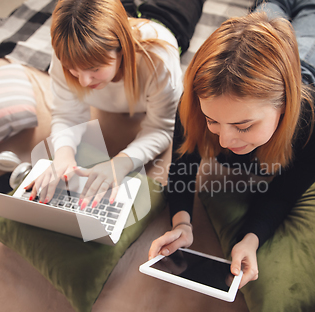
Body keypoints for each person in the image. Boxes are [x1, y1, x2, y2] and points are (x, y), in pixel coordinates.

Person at [149, 0, 315, 289]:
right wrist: (181, 223)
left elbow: (283, 194)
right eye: (212, 121)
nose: (224, 140)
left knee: (313, 9)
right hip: (259, 44)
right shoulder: (196, 101)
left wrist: (251, 238)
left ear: (284, 107)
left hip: (311, 63)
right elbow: (182, 167)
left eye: (243, 126)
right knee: (267, 10)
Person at [25, 0, 203, 208]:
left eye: (94, 68)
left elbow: (161, 128)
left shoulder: (159, 60)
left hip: (167, 20)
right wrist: (63, 153)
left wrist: (121, 163)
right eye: (73, 69)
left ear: (121, 50)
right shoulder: (67, 53)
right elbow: (67, 115)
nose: (83, 81)